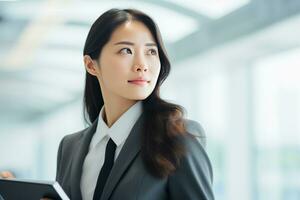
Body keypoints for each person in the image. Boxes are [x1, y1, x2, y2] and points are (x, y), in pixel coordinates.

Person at [1, 8, 214, 200]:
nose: (142, 65)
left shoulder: (178, 136)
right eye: (126, 51)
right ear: (91, 65)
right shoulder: (70, 147)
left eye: (151, 51)